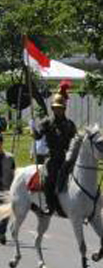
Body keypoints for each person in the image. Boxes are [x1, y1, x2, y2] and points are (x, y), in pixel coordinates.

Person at [33, 82, 77, 215]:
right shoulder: (47, 122)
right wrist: (34, 131)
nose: (57, 110)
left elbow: (75, 140)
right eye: (55, 108)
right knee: (49, 179)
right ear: (52, 108)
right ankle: (49, 204)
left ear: (64, 108)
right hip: (52, 157)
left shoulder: (70, 124)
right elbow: (38, 136)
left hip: (66, 157)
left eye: (60, 108)